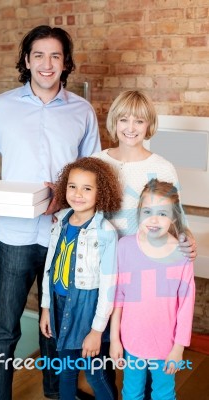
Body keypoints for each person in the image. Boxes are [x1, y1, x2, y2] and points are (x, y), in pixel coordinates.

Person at [0, 25, 101, 400]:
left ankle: (56, 395)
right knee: (4, 328)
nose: (47, 63)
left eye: (55, 55)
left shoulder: (82, 110)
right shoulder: (1, 105)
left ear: (66, 63)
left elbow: (94, 169)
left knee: (56, 325)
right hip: (15, 235)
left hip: (64, 235)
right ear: (26, 60)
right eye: (38, 55)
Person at [92, 90, 196, 399]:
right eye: (124, 119)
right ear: (114, 121)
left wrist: (186, 239)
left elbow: (177, 217)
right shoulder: (99, 162)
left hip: (142, 266)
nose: (130, 127)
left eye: (139, 120)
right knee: (108, 341)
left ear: (148, 124)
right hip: (105, 263)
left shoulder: (163, 167)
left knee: (152, 361)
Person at [40, 157, 121, 400]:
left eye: (87, 188)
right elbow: (49, 268)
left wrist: (97, 330)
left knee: (94, 373)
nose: (78, 194)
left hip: (87, 309)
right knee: (65, 370)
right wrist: (46, 307)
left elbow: (109, 284)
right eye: (72, 186)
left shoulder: (106, 232)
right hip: (59, 304)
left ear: (101, 192)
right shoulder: (60, 222)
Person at [110, 178, 195, 400]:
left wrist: (179, 347)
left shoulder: (182, 255)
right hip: (131, 341)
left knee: (164, 394)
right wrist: (115, 339)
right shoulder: (125, 247)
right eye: (148, 211)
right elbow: (118, 296)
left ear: (174, 217)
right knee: (131, 393)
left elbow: (186, 305)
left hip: (166, 345)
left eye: (163, 213)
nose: (154, 219)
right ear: (139, 212)